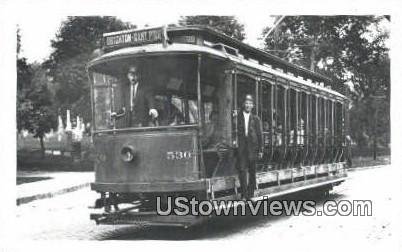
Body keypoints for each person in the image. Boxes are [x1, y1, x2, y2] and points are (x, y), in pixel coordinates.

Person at [237, 94, 263, 200]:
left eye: (250, 104)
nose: (248, 105)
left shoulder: (256, 119)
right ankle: (244, 194)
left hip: (253, 148)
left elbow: (260, 134)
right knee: (242, 170)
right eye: (246, 103)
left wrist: (261, 150)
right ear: (244, 105)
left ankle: (251, 193)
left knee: (252, 171)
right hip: (242, 147)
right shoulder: (238, 117)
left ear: (253, 106)